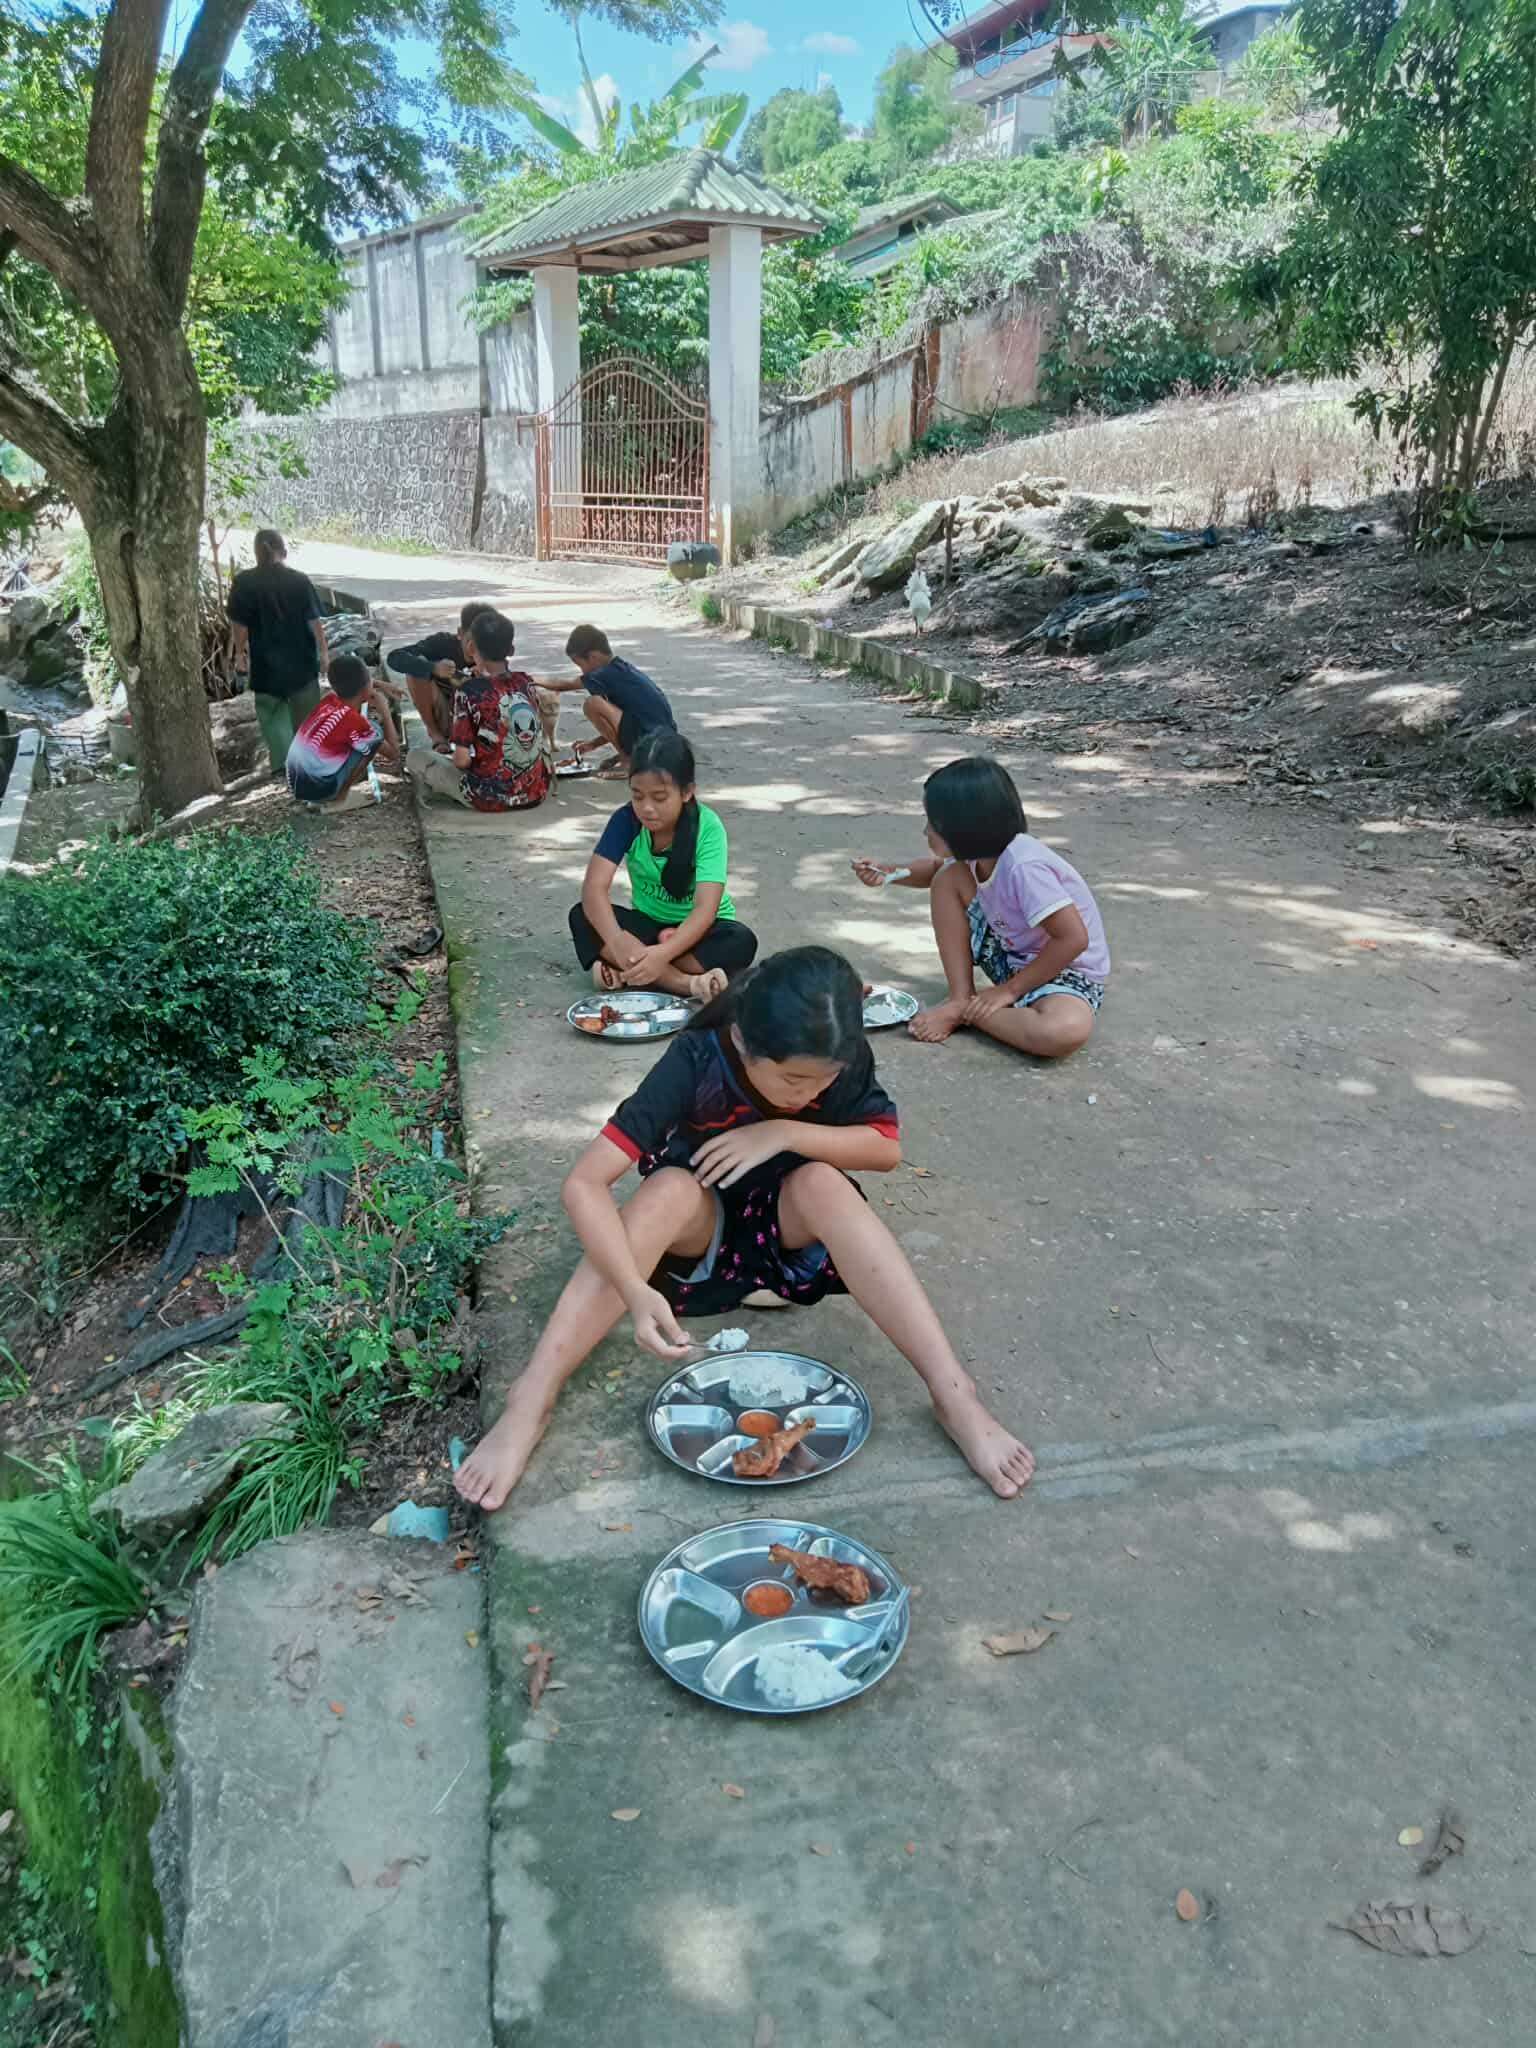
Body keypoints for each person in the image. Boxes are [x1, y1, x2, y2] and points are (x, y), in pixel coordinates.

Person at [453, 946, 1036, 1513]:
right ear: (741, 1041)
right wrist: (633, 1290)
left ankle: (954, 1395)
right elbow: (584, 1183)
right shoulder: (698, 1057)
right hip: (700, 1243)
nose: (809, 1093)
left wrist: (782, 1132)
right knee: (668, 1189)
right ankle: (530, 1400)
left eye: (823, 1080)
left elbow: (885, 1148)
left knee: (824, 1183)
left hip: (785, 1241)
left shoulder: (838, 1052)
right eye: (793, 1080)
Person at [854, 755, 1109, 1058]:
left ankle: (966, 1011)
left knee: (1063, 1031)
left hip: (1064, 971)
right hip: (1011, 958)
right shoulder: (980, 854)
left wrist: (1009, 991)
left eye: (932, 823)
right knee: (946, 877)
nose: (925, 832)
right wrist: (890, 873)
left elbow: (1073, 939)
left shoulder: (1025, 867)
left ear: (963, 828)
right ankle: (962, 997)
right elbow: (934, 869)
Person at [568, 730, 758, 1003]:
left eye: (659, 798)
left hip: (698, 931)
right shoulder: (626, 821)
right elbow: (594, 888)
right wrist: (618, 940)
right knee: (583, 916)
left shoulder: (708, 827)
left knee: (740, 941)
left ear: (687, 792)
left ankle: (629, 971)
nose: (646, 808)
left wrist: (663, 953)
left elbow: (705, 910)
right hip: (648, 926)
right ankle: (688, 984)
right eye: (637, 796)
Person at [405, 609, 553, 812]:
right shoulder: (526, 682)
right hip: (535, 792)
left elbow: (461, 761)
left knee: (415, 757)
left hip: (488, 797)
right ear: (511, 650)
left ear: (471, 646)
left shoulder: (468, 691)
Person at [229, 529, 327, 775]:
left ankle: (283, 768)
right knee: (307, 719)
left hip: (266, 666)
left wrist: (240, 655)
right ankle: (308, 768)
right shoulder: (299, 581)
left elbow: (240, 626)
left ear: (256, 553)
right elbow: (314, 621)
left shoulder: (244, 582)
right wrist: (324, 652)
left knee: (272, 717)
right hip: (302, 663)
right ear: (283, 550)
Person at [539, 624, 676, 778]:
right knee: (600, 706)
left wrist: (531, 679)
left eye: (581, 665)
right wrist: (593, 744)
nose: (582, 671)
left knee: (593, 704)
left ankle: (629, 762)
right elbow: (623, 723)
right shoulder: (621, 669)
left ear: (593, 657)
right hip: (666, 742)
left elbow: (565, 685)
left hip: (655, 742)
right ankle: (630, 757)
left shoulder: (605, 673)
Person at [286, 654, 400, 806]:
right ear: (365, 688)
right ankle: (339, 798)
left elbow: (355, 683)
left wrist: (380, 684)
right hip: (318, 789)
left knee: (359, 737)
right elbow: (394, 753)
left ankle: (325, 795)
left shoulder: (329, 699)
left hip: (296, 784)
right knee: (374, 734)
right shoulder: (355, 722)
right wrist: (385, 711)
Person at [386, 600, 497, 752]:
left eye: (483, 642)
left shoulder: (494, 655)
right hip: (446, 715)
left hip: (480, 724)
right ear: (460, 633)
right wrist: (433, 668)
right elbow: (394, 657)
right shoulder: (442, 643)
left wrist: (487, 679)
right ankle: (436, 736)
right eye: (471, 641)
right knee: (416, 668)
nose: (475, 648)